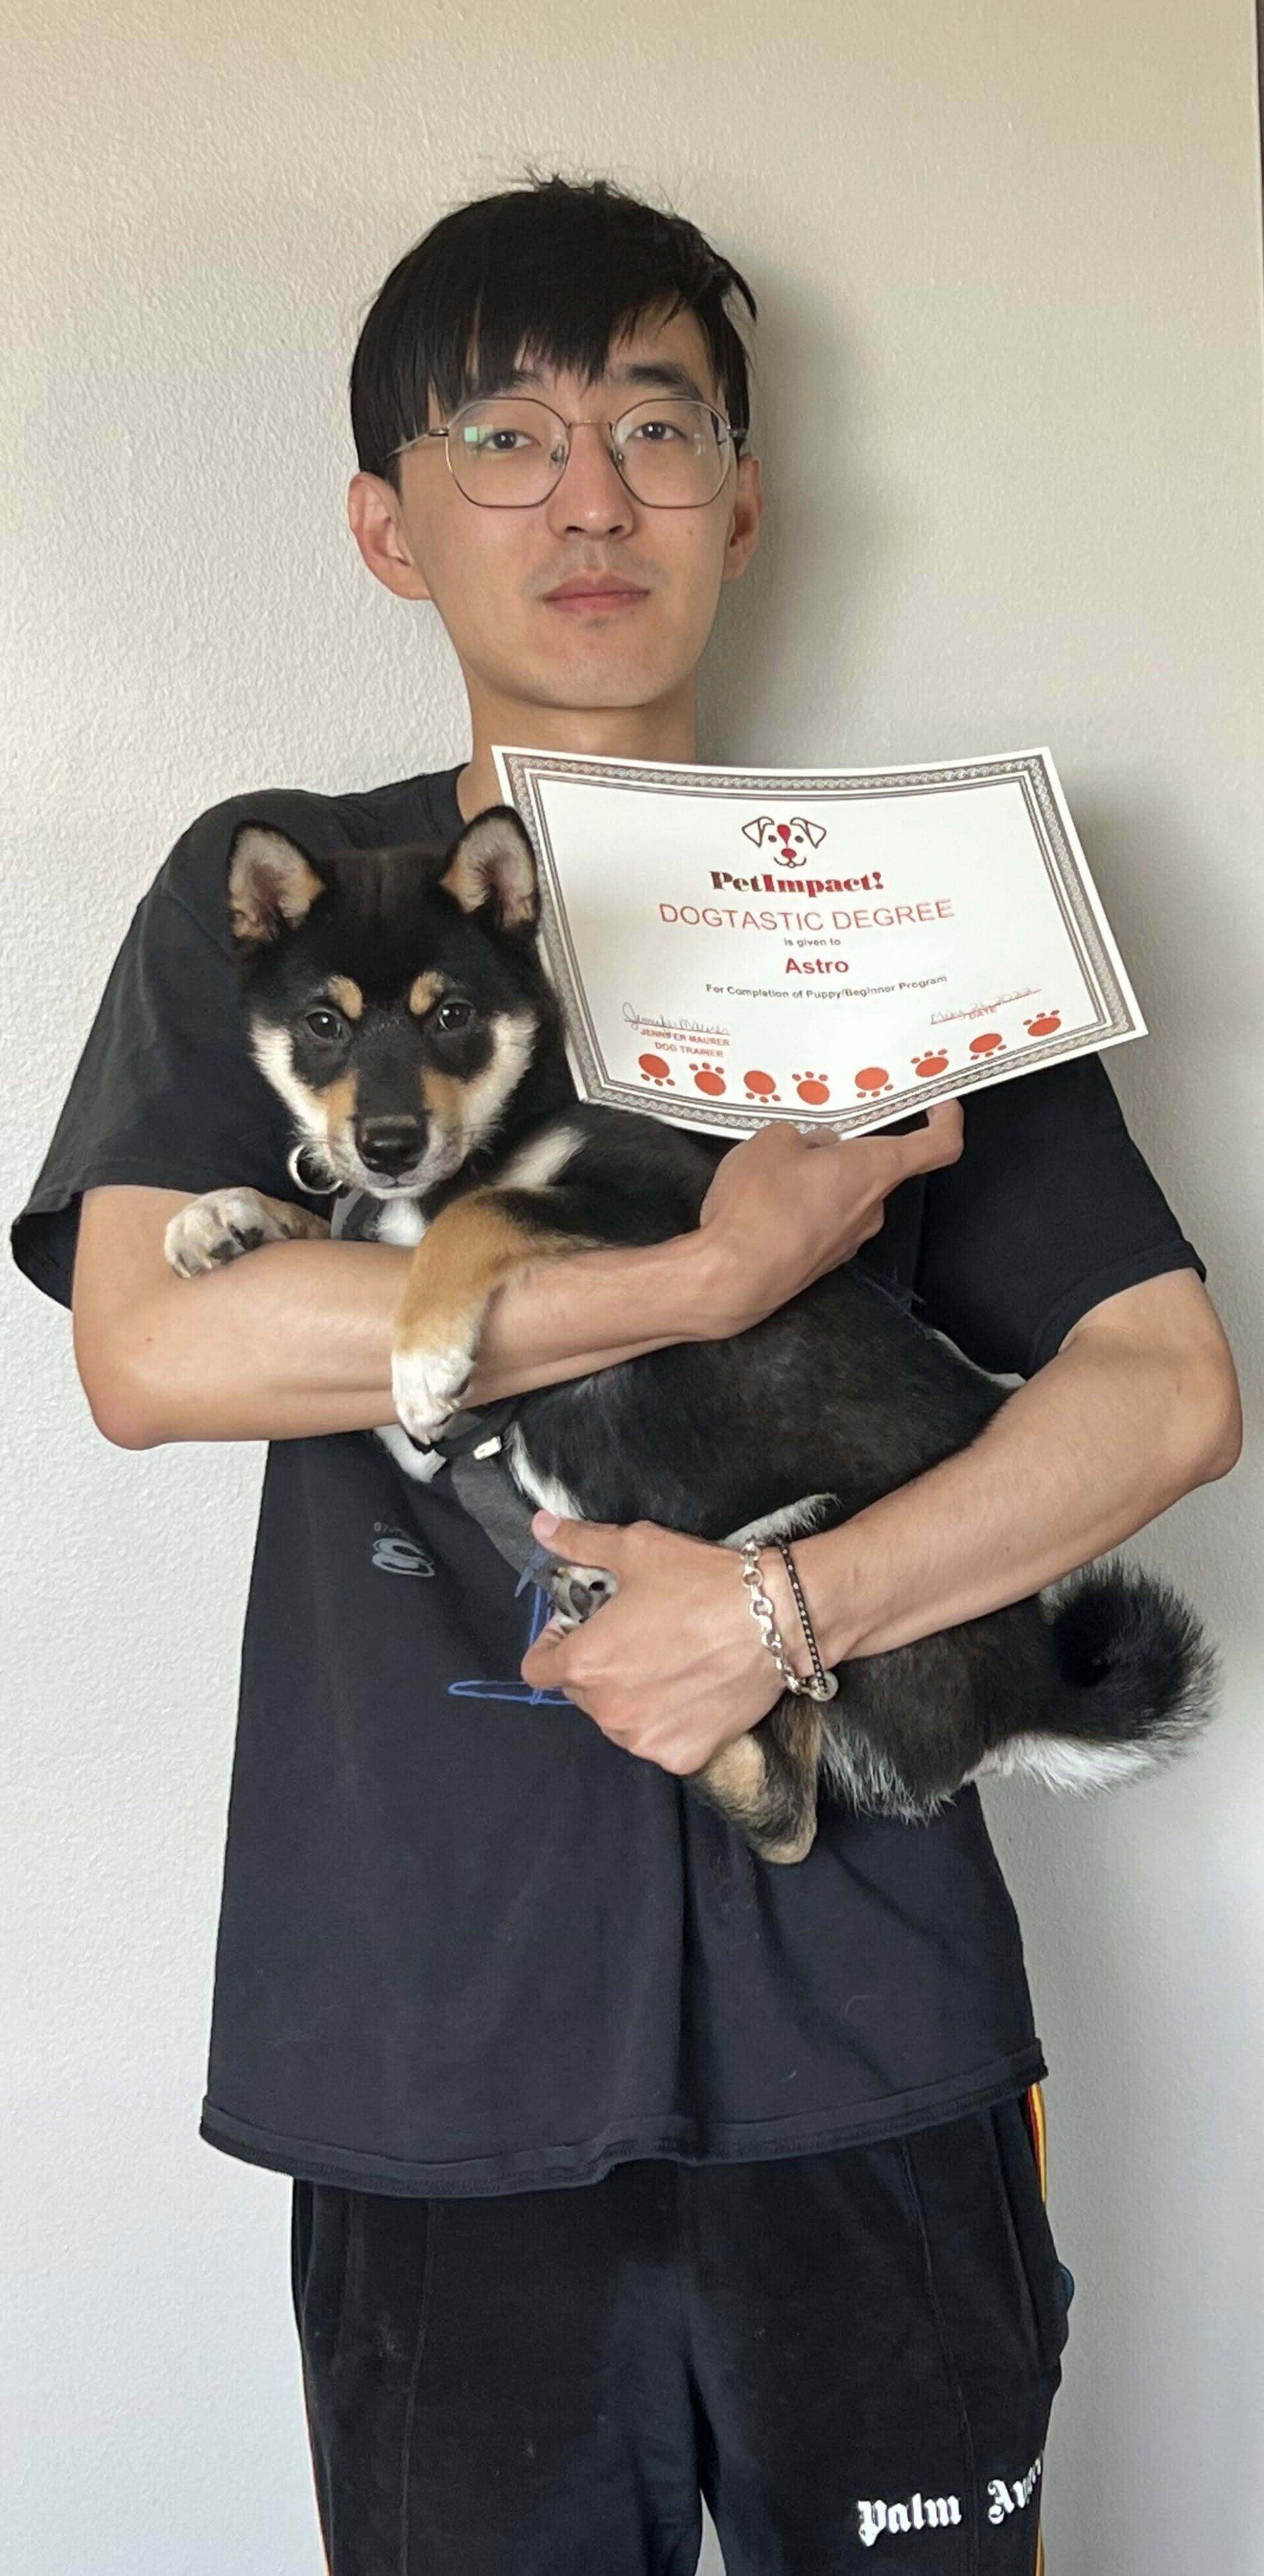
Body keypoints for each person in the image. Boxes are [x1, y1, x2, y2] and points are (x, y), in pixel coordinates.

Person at [12, 174, 1240, 2576]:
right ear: (387, 526)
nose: (591, 496)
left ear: (744, 504)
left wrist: (784, 1617)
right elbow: (153, 1343)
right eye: (505, 436)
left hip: (871, 2029)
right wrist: (693, 1280)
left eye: (658, 429)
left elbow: (1166, 1387)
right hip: (431, 2036)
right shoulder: (290, 892)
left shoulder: (908, 906)